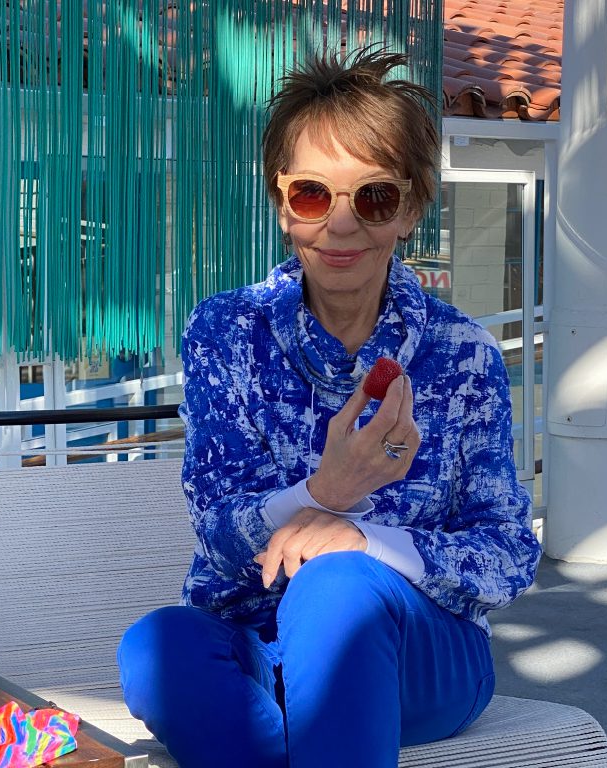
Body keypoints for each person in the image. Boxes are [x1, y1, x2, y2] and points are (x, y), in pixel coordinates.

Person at [117, 47, 541, 768]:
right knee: (157, 646)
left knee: (337, 588)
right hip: (258, 647)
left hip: (421, 652)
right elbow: (222, 538)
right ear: (282, 201)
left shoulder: (461, 353)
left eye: (373, 197)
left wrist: (364, 542)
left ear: (410, 208)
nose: (340, 225)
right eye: (313, 194)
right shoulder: (226, 331)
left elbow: (507, 554)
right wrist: (326, 492)